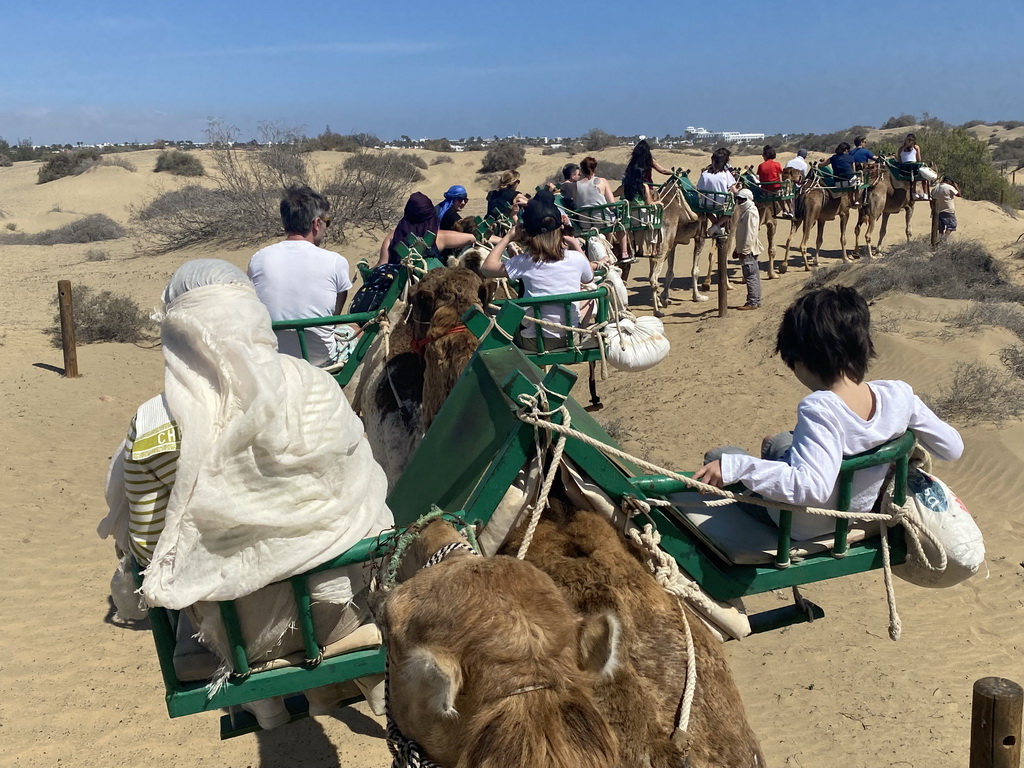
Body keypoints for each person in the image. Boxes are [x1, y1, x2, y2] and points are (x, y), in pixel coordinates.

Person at [98, 259, 394, 728]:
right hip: (342, 600)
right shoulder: (314, 384)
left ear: (176, 331)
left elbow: (149, 546)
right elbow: (363, 492)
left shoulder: (153, 421)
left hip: (236, 630)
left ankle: (265, 703)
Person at [694, 286, 964, 541]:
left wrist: (734, 467)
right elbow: (951, 448)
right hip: (855, 509)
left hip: (806, 523)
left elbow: (811, 489)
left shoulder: (819, 408)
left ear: (801, 361)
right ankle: (774, 448)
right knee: (777, 443)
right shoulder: (899, 395)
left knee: (719, 456)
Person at [247, 185, 351, 367]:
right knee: (353, 332)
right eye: (328, 221)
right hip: (318, 357)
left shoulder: (259, 259)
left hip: (274, 355)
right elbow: (335, 317)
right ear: (316, 224)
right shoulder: (336, 262)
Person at [480, 191, 594, 350]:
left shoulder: (523, 261)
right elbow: (589, 278)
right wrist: (575, 244)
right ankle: (581, 331)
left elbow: (486, 268)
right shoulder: (576, 258)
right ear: (560, 229)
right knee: (590, 300)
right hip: (570, 338)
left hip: (534, 342)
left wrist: (508, 237)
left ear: (526, 232)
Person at [377, 191, 475, 267]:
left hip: (398, 286)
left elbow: (382, 264)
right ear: (431, 217)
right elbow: (474, 237)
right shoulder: (439, 237)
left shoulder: (393, 235)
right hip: (427, 287)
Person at [697, 147, 738, 238]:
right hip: (721, 204)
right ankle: (717, 225)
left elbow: (699, 188)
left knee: (708, 211)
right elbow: (734, 190)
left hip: (706, 204)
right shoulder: (726, 173)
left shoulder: (704, 174)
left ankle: (716, 225)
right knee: (729, 213)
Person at [732, 188, 762, 310]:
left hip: (748, 250)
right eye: (738, 199)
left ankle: (752, 302)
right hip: (745, 249)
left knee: (750, 275)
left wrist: (744, 250)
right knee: (753, 275)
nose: (740, 202)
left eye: (742, 199)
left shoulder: (750, 212)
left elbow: (750, 233)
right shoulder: (745, 212)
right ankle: (755, 300)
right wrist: (737, 249)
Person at [622, 139, 671, 205]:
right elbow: (663, 171)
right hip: (647, 188)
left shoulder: (633, 162)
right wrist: (673, 172)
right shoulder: (649, 161)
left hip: (632, 186)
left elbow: (627, 174)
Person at [757, 145, 791, 219]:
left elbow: (760, 179)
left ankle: (785, 210)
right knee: (786, 192)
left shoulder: (761, 166)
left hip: (765, 191)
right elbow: (780, 177)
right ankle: (789, 210)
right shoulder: (777, 164)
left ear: (765, 155)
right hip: (775, 190)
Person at [821, 142, 859, 206]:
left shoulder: (833, 158)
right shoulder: (851, 157)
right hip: (849, 182)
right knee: (857, 182)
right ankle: (855, 200)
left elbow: (821, 165)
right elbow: (853, 171)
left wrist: (821, 162)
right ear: (846, 150)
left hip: (838, 183)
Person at [897, 133, 929, 201]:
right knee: (924, 176)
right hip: (914, 167)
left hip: (904, 169)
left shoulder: (901, 149)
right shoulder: (916, 147)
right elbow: (919, 159)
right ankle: (925, 193)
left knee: (912, 178)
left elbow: (899, 160)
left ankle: (913, 193)